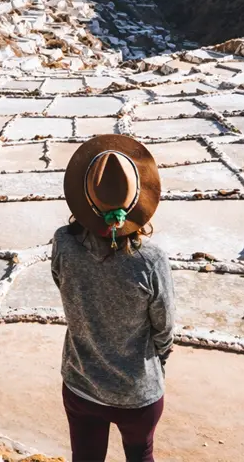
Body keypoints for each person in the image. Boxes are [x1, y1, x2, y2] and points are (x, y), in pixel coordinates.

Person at [52, 135, 175, 462]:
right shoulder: (150, 261)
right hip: (138, 391)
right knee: (140, 456)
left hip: (81, 384)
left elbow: (60, 283)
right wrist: (156, 363)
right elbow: (164, 328)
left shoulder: (64, 244)